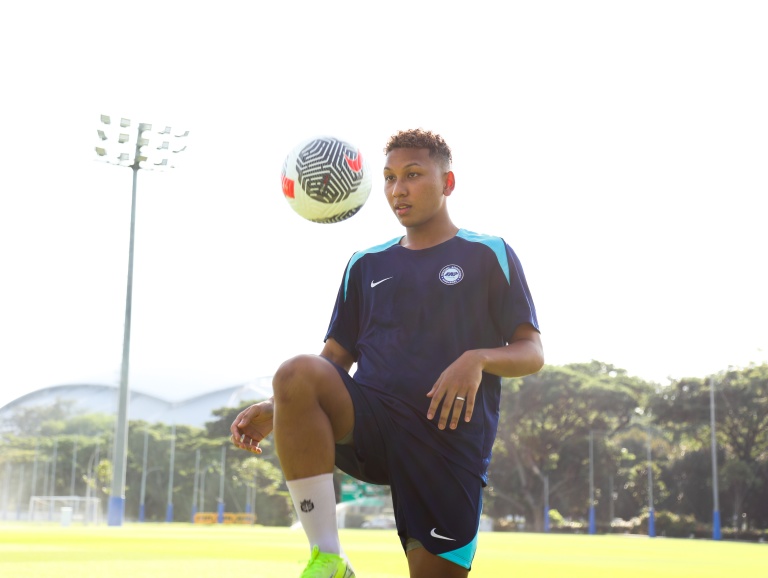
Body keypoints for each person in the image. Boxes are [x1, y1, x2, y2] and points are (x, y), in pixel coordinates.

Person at [230, 129, 543, 578]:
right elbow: (331, 362)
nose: (398, 189)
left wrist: (477, 358)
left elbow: (531, 351)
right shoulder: (366, 264)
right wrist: (281, 404)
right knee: (296, 371)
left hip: (446, 442)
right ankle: (329, 557)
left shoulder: (488, 253)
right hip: (372, 425)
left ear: (448, 182)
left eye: (412, 175)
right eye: (390, 178)